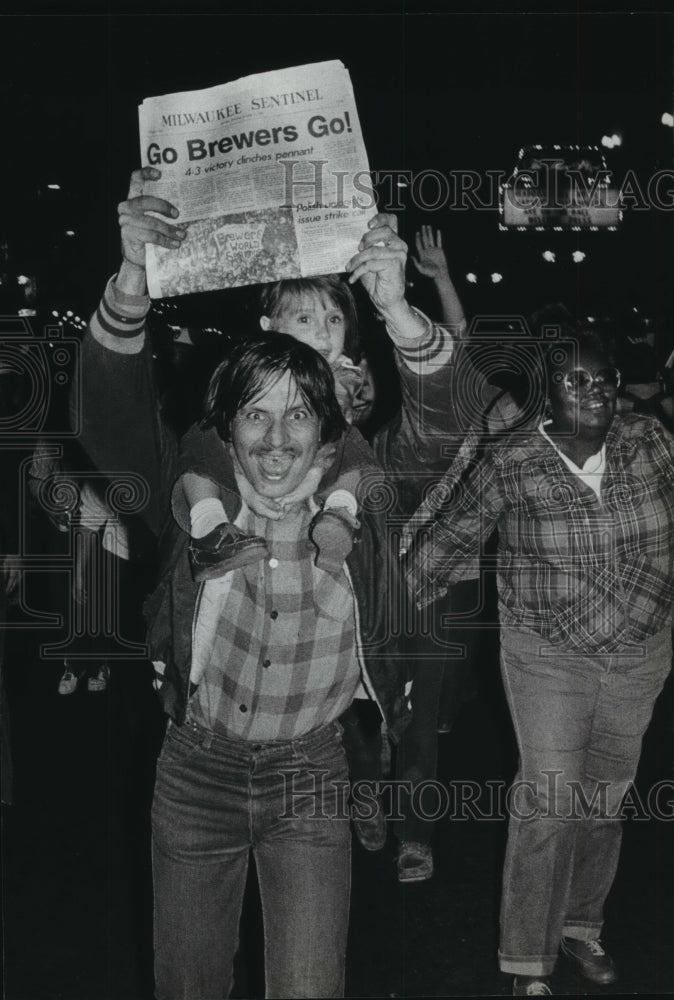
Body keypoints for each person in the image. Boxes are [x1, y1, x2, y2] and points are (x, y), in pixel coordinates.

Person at [78, 165, 459, 999]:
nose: (278, 438)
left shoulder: (370, 485)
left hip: (315, 778)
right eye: (256, 411)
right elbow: (108, 416)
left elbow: (443, 423)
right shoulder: (191, 482)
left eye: (298, 413)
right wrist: (134, 277)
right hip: (195, 774)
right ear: (226, 418)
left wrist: (397, 305)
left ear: (329, 412)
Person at [406, 326, 674, 996]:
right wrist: (372, 611)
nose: (595, 393)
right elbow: (447, 541)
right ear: (544, 397)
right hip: (549, 653)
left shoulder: (651, 440)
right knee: (550, 802)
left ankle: (581, 924)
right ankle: (529, 959)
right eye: (575, 381)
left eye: (604, 379)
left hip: (641, 650)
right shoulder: (513, 458)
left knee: (603, 802)